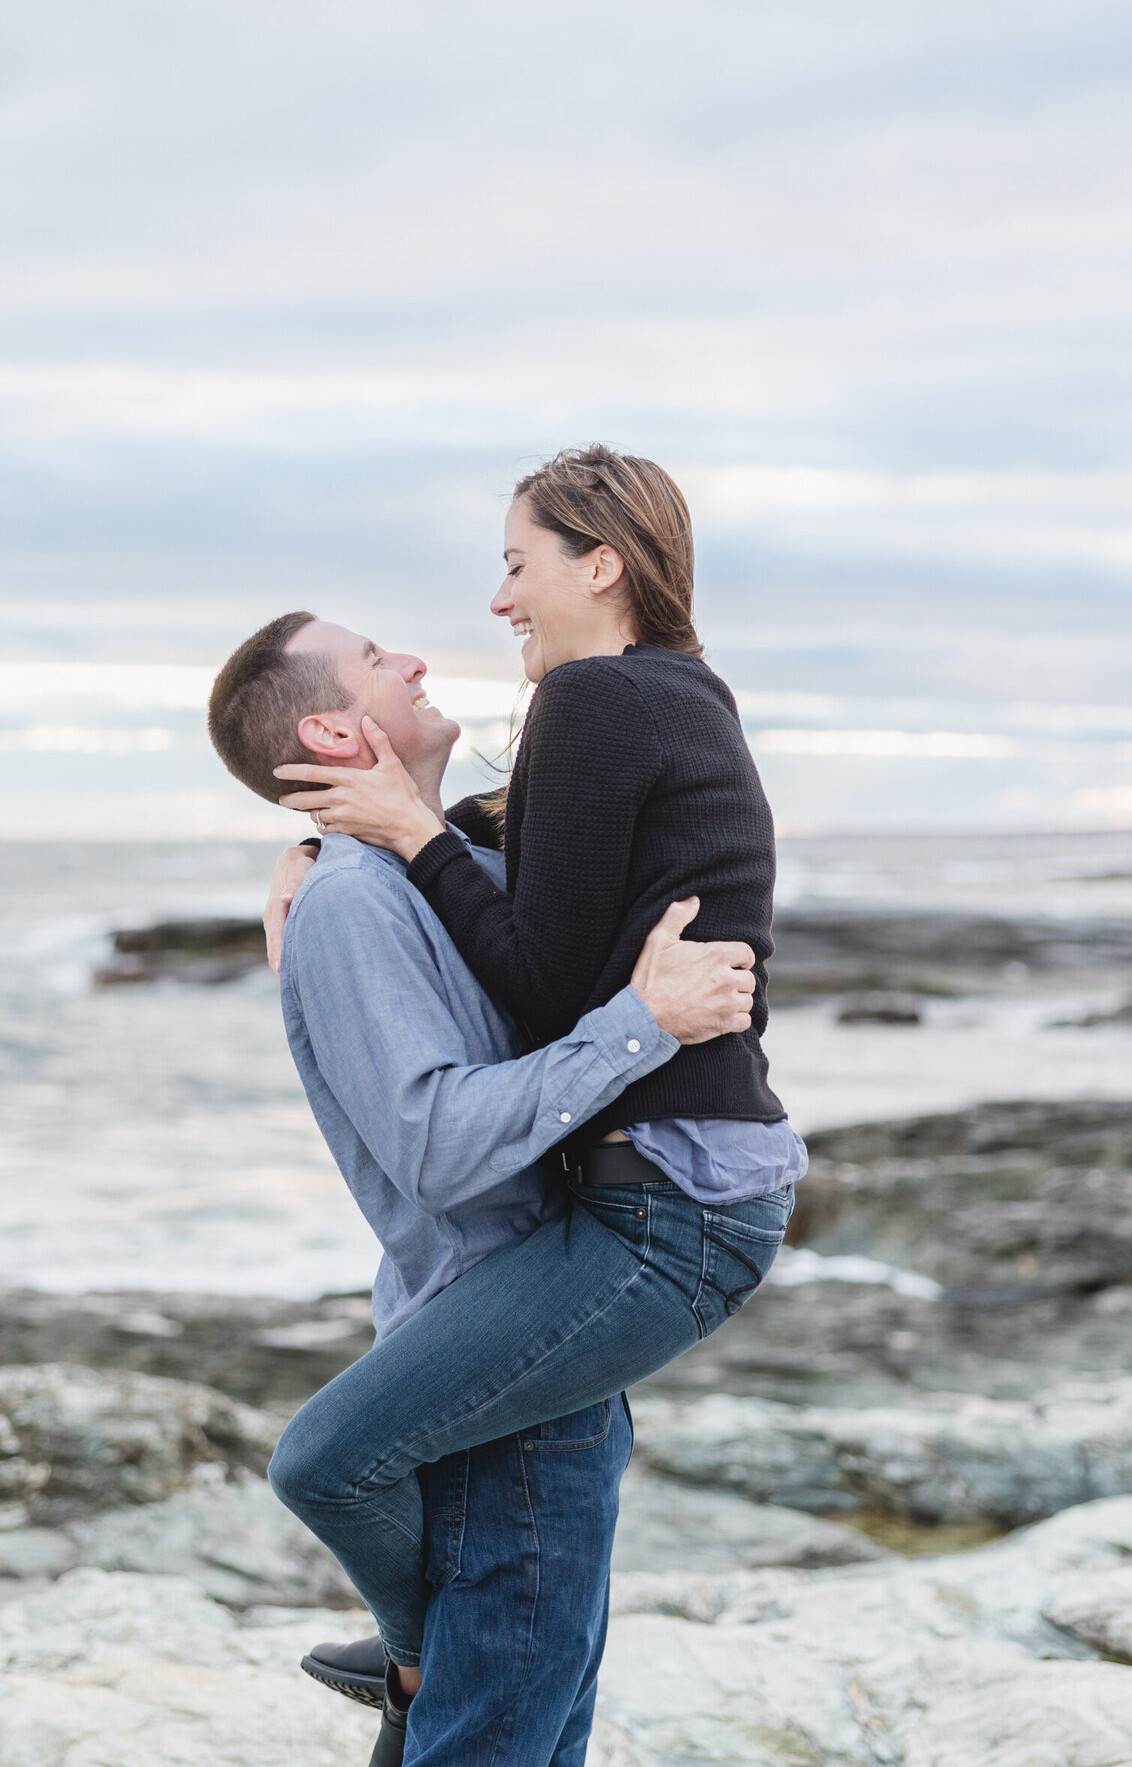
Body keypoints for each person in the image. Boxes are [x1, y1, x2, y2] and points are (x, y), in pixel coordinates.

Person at [264, 446, 805, 1735]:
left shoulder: (594, 703)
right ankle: (426, 1660)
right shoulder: (676, 695)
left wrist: (413, 836)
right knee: (532, 1651)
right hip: (675, 1191)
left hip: (665, 1202)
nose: (501, 600)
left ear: (600, 563)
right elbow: (552, 901)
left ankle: (413, 1652)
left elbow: (550, 980)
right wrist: (341, 845)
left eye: (519, 564)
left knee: (331, 1463)